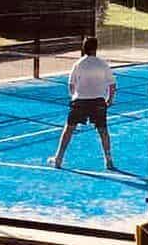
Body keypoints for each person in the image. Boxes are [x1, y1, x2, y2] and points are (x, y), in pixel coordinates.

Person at [50, 36, 117, 170]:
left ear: (84, 48)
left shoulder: (78, 64)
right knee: (103, 131)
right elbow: (112, 85)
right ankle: (108, 160)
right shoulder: (103, 64)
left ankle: (58, 158)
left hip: (80, 101)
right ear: (96, 48)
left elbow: (71, 85)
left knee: (68, 129)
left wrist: (74, 97)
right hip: (98, 102)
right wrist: (109, 100)